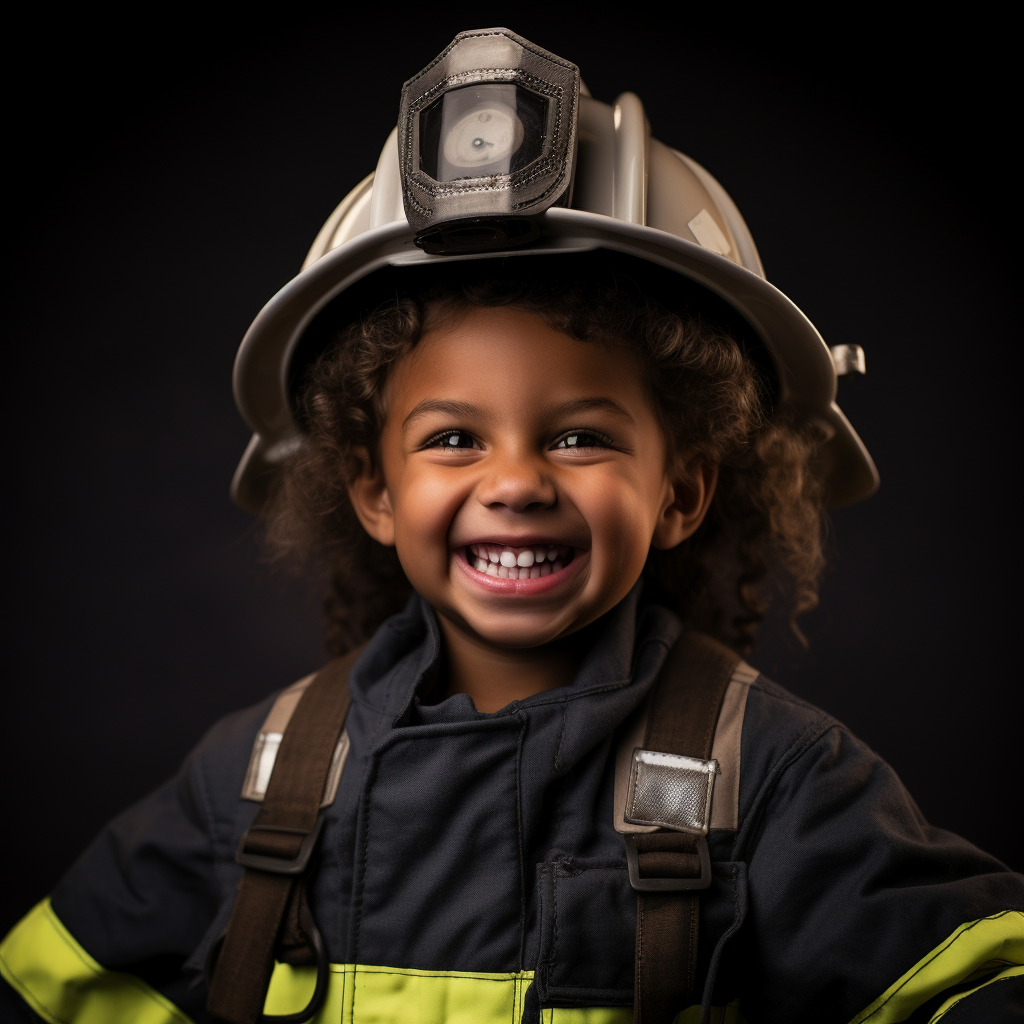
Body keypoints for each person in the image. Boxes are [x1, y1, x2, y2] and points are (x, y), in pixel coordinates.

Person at [2, 27, 1021, 1024]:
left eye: (580, 438)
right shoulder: (253, 778)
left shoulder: (775, 782)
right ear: (374, 492)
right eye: (452, 440)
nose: (517, 481)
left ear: (681, 493)